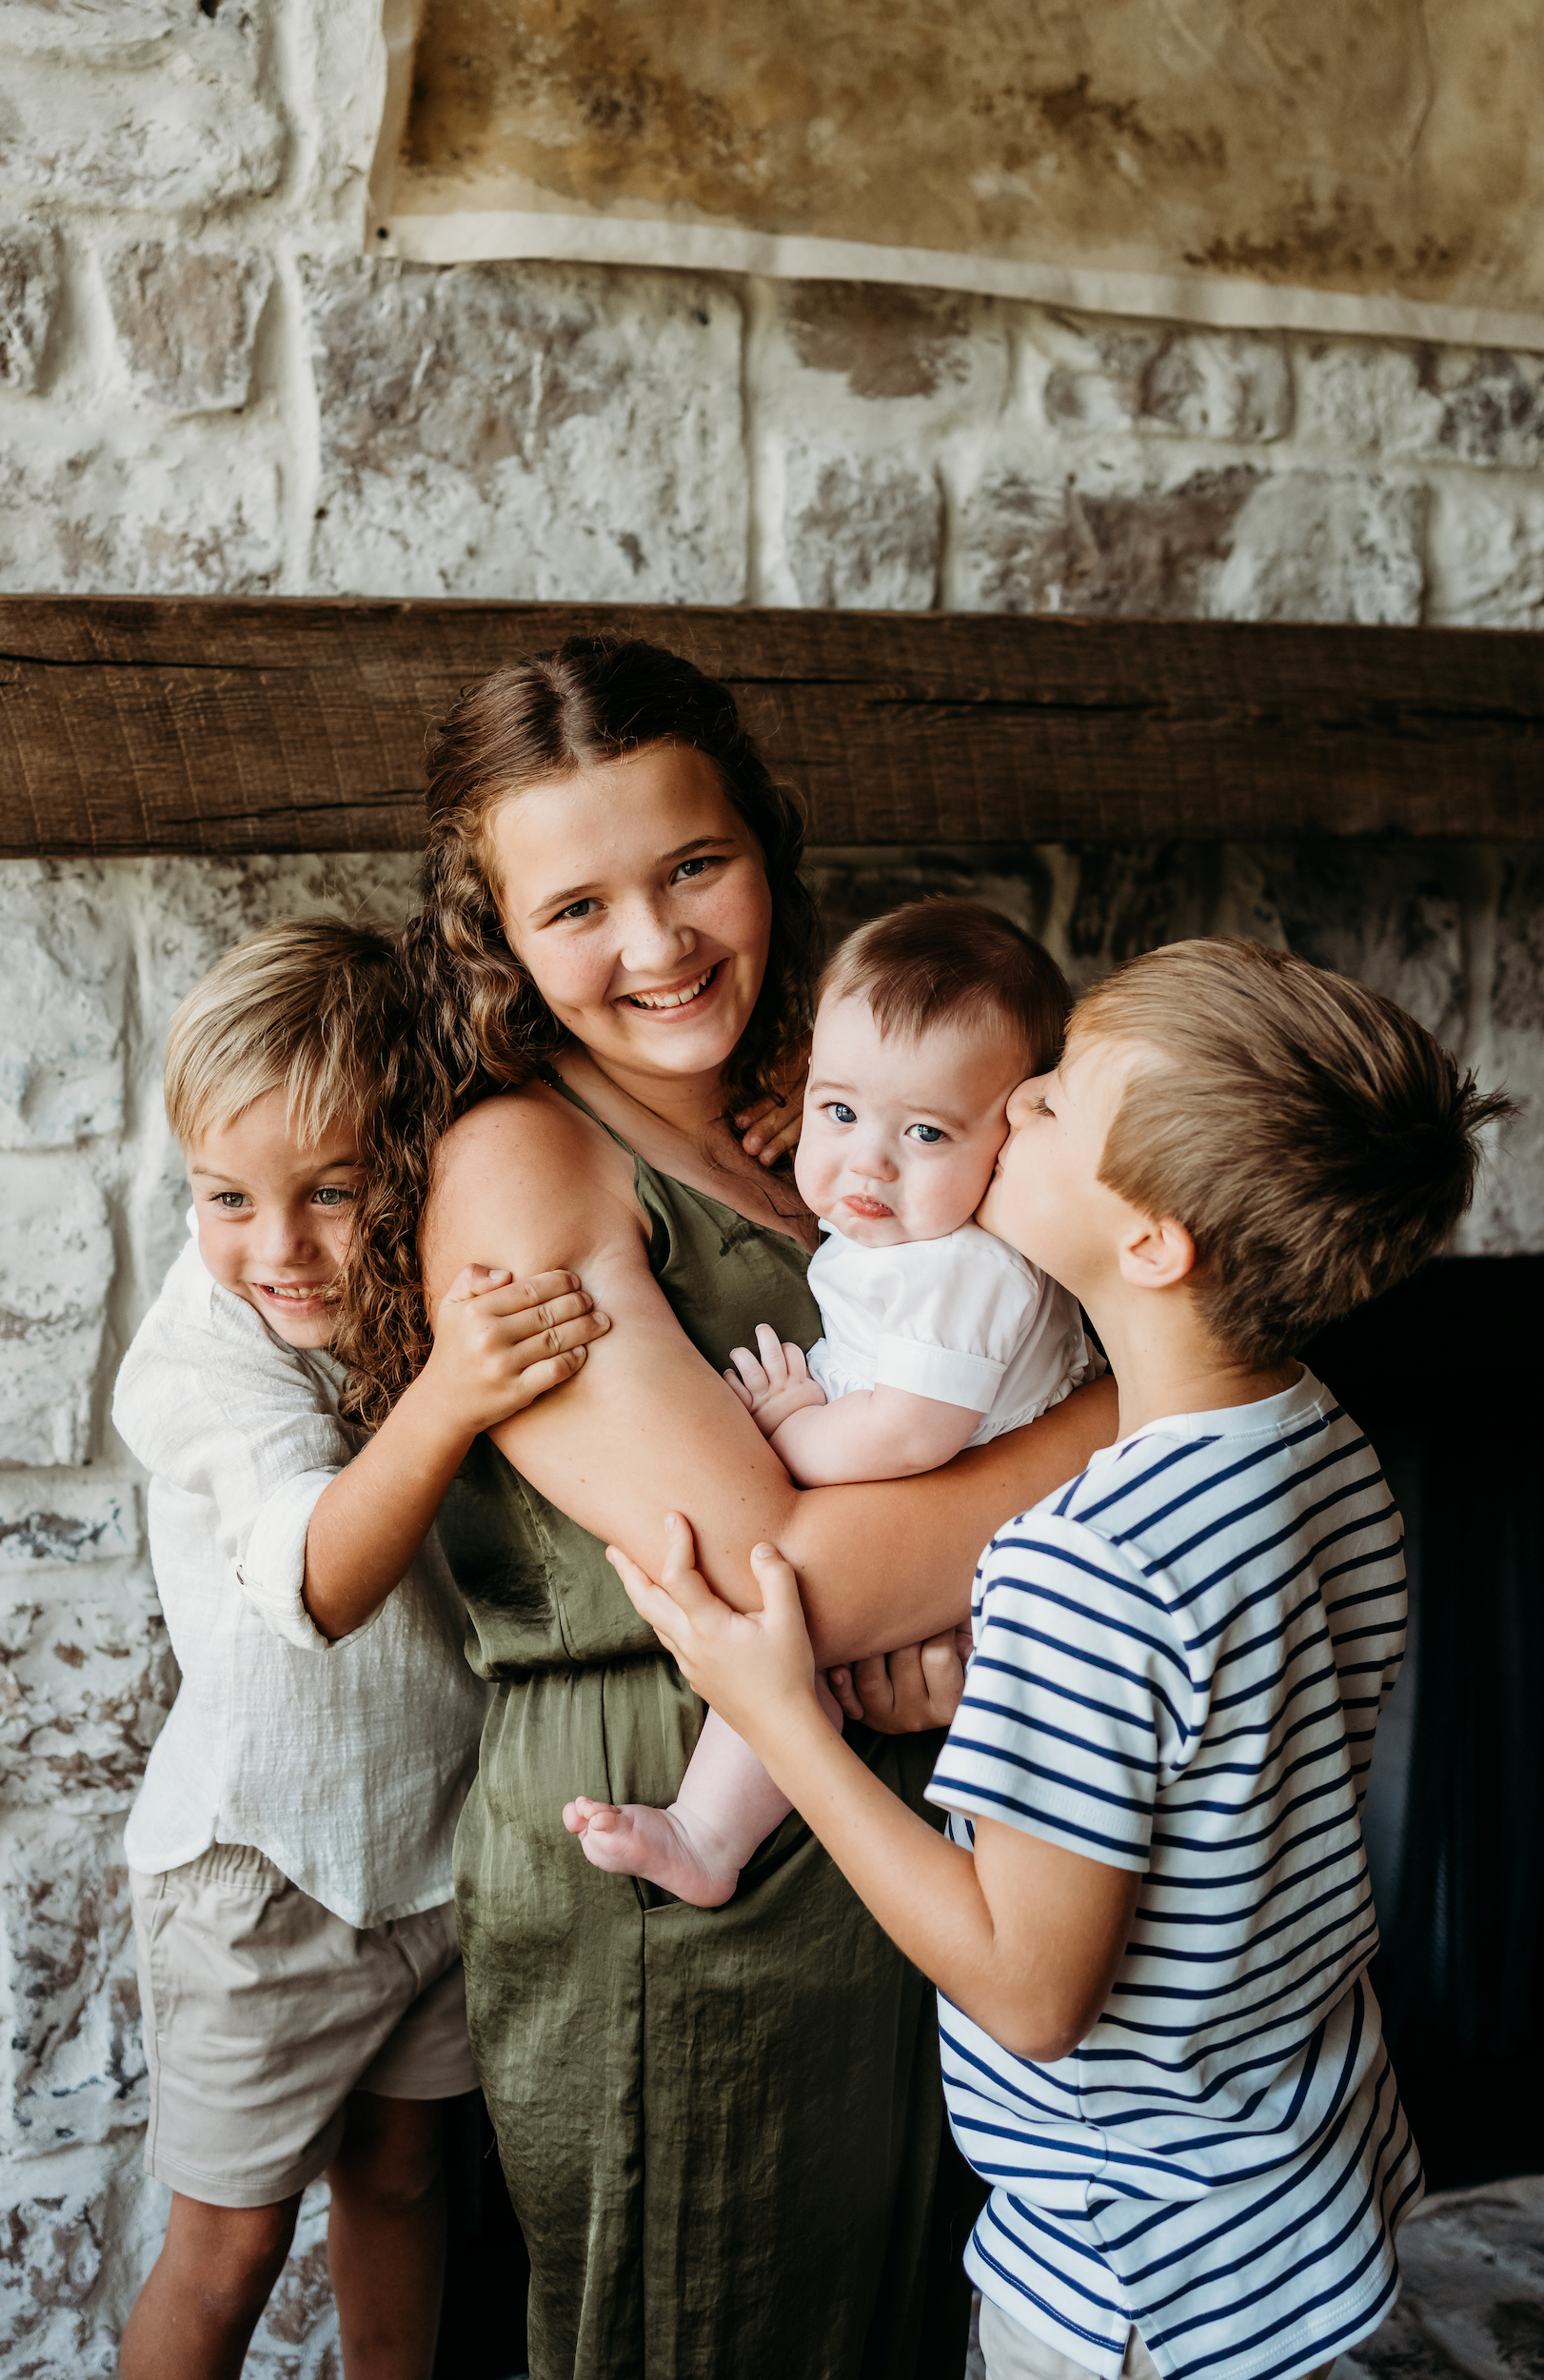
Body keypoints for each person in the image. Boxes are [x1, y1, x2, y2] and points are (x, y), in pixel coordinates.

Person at [337, 638, 1120, 2380]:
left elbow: (924, 1456)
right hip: (681, 1874)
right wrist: (1125, 1416)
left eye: (693, 866)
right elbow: (774, 1581)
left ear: (761, 844)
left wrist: (971, 1598)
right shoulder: (523, 1161)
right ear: (496, 936)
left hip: (892, 1842)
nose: (658, 944)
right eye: (577, 907)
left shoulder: (817, 1134)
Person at [608, 937, 1514, 2380]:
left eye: (1048, 1104)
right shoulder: (1320, 1441)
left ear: (1150, 1238)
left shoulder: (1079, 1561)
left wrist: (782, 1724)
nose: (1008, 1104)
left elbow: (1030, 1994)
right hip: (1298, 2194)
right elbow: (1226, 1749)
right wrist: (1001, 1711)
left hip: (1126, 2274)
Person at [114, 919, 609, 2380]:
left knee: (403, 2186)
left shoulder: (425, 1282)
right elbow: (315, 1577)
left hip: (439, 1855)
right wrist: (449, 1396)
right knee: (227, 2252)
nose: (279, 1249)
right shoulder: (209, 1348)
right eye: (227, 1198)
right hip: (261, 1875)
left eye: (332, 1192)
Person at [564, 899, 1094, 1909]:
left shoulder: (966, 1269)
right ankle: (705, 1835)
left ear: (1009, 1137)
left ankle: (709, 1838)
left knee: (789, 1637)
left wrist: (794, 1431)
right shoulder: (900, 1226)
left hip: (976, 1564)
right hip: (929, 1533)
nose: (867, 1162)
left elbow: (908, 1430)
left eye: (925, 1131)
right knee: (786, 1666)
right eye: (838, 1111)